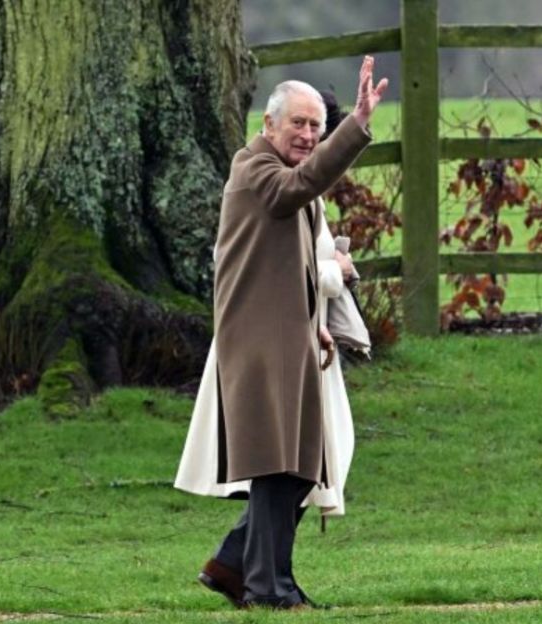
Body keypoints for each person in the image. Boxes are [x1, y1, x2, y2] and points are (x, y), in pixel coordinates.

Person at [174, 57, 388, 610]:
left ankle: (248, 570)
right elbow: (294, 189)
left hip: (290, 339)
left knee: (301, 469)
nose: (309, 134)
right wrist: (356, 125)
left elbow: (289, 266)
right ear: (268, 126)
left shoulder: (290, 182)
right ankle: (266, 587)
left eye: (317, 125)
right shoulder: (256, 171)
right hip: (260, 346)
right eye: (299, 123)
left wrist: (315, 323)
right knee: (279, 470)